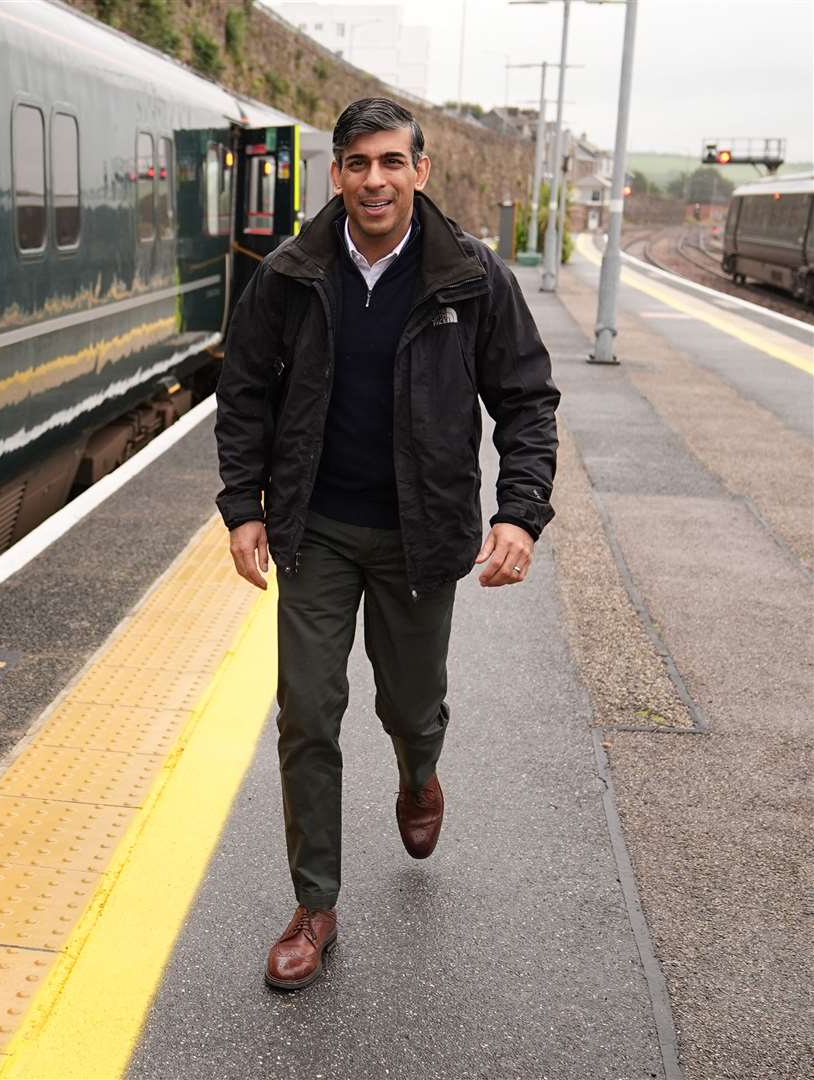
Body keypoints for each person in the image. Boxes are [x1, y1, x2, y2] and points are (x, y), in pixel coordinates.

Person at [213, 98, 560, 991]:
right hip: (316, 530)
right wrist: (242, 507)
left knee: (409, 704)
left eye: (392, 163)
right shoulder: (291, 274)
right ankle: (315, 906)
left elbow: (527, 402)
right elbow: (244, 388)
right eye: (357, 163)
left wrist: (519, 514)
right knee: (307, 711)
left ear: (421, 172)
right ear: (335, 174)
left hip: (420, 535)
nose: (375, 180)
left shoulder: (473, 279)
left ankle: (419, 772)